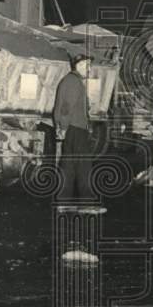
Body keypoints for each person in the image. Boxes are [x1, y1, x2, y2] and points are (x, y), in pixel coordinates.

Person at [54, 53, 96, 206]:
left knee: (68, 168)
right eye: (87, 65)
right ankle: (88, 203)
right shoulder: (74, 82)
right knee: (84, 167)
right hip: (76, 129)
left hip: (72, 129)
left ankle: (63, 203)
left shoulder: (72, 80)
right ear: (78, 65)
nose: (89, 68)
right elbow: (66, 108)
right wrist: (64, 127)